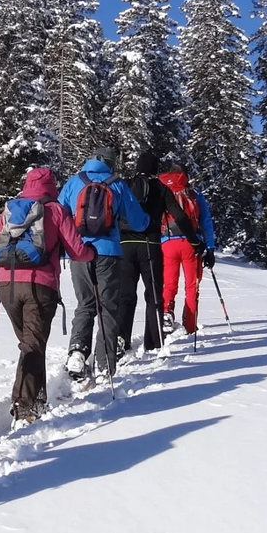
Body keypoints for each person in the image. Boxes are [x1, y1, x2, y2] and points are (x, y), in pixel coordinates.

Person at [0, 166, 91, 421]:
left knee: (30, 343)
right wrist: (92, 254)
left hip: (7, 285)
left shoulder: (10, 209)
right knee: (32, 344)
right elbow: (77, 250)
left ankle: (37, 399)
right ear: (51, 185)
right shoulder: (56, 210)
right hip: (40, 286)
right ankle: (25, 406)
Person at [57, 151, 148, 379]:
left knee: (85, 304)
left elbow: (59, 216)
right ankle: (105, 363)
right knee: (107, 308)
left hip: (79, 252)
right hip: (108, 252)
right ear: (111, 164)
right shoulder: (117, 184)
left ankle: (77, 353)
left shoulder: (74, 182)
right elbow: (138, 222)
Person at [115, 149, 204, 356]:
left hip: (125, 244)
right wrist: (194, 240)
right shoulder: (160, 188)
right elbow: (179, 217)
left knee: (126, 295)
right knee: (154, 295)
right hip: (150, 245)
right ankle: (153, 342)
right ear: (155, 169)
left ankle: (121, 339)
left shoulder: (124, 185)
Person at [159, 163, 216, 339]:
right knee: (192, 285)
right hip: (192, 244)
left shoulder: (162, 191)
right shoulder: (194, 194)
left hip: (167, 242)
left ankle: (167, 312)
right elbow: (206, 222)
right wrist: (210, 248)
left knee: (169, 283)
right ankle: (190, 324)